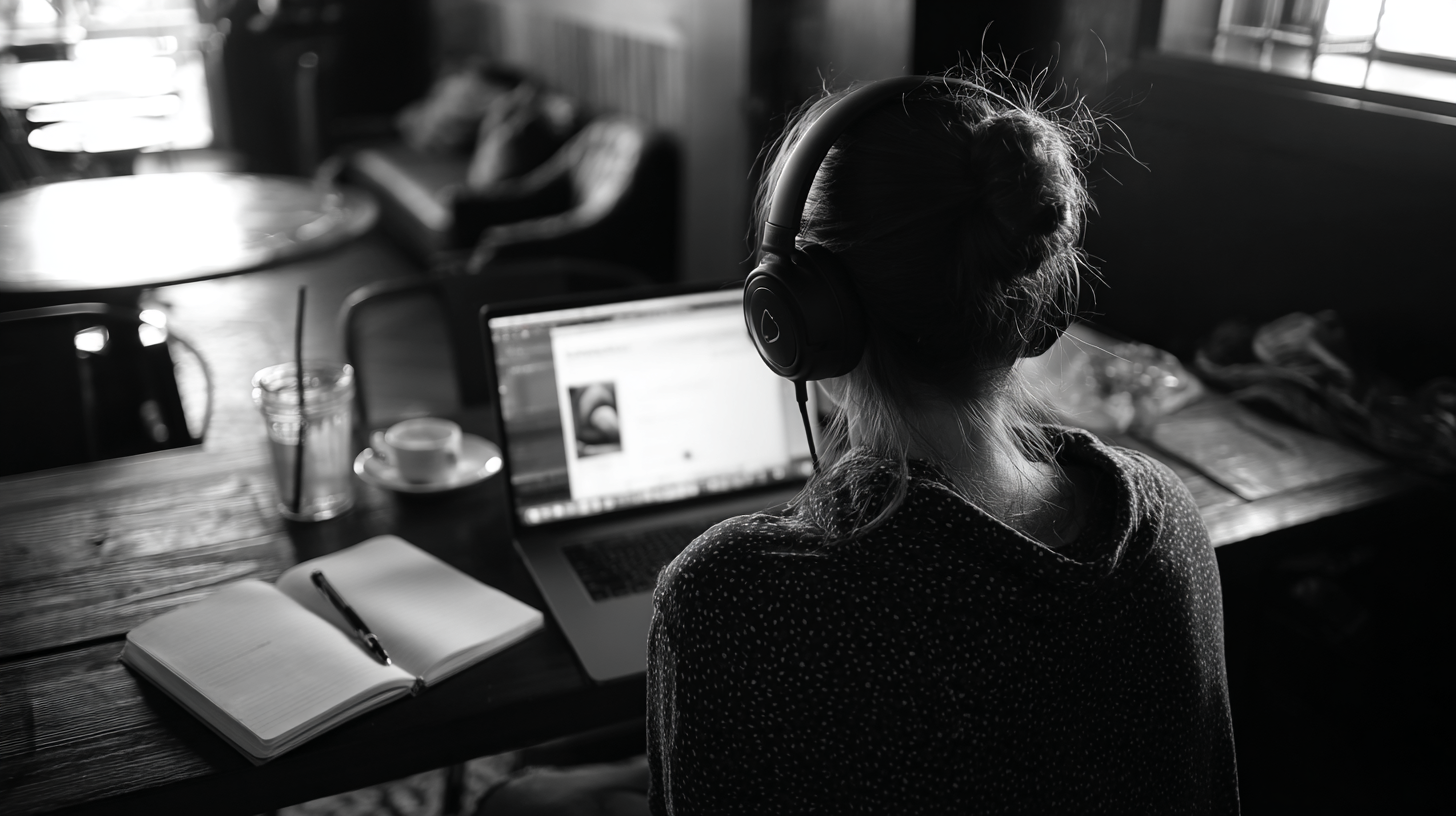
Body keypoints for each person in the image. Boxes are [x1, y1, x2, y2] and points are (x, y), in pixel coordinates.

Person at [481, 68, 1239, 815]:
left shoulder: (733, 597)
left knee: (517, 798)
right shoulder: (1167, 520)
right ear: (1037, 307)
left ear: (800, 321)